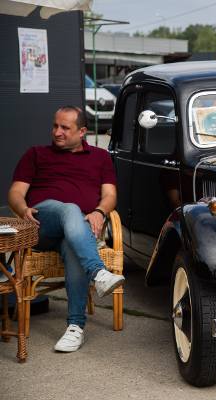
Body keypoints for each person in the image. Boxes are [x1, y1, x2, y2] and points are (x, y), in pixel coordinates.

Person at [8, 106, 124, 353]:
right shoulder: (36, 154)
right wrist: (22, 209)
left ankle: (75, 327)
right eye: (55, 126)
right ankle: (99, 273)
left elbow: (110, 195)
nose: (57, 132)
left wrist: (99, 212)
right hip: (42, 224)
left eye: (65, 128)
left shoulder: (100, 157)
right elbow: (15, 193)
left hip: (77, 231)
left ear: (82, 131)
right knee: (69, 208)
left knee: (73, 244)